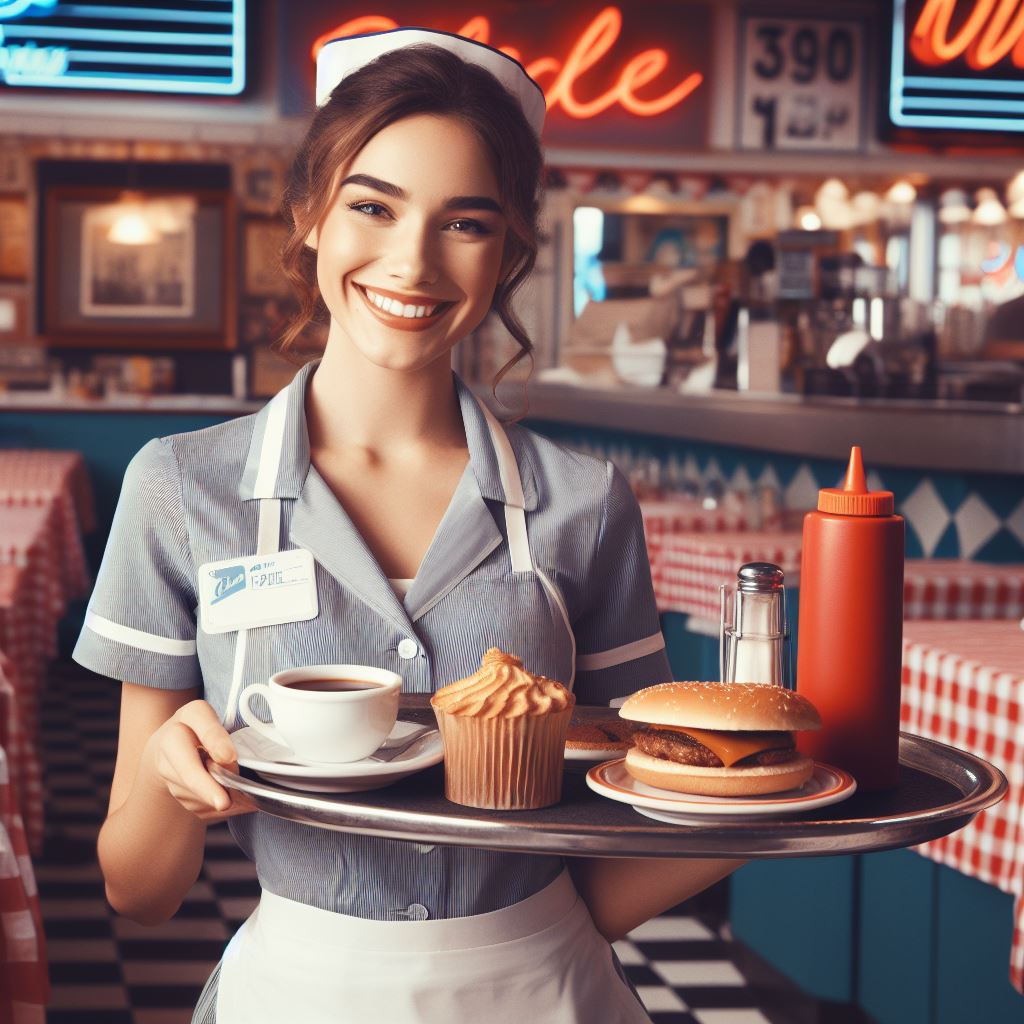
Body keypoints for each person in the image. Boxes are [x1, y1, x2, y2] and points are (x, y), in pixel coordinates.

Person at [74, 30, 740, 1023]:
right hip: (295, 992)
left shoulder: (583, 504)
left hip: (543, 991)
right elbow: (140, 889)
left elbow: (610, 870)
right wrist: (175, 787)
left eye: (464, 222)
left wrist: (768, 810)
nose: (411, 261)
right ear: (308, 216)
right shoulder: (180, 488)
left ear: (511, 249)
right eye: (372, 205)